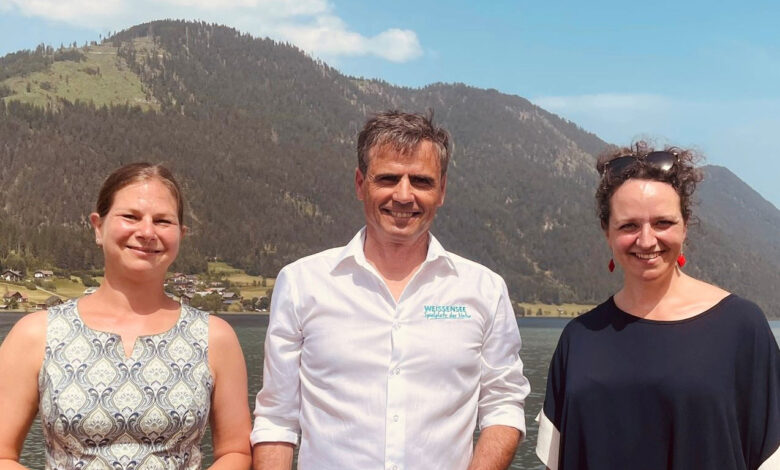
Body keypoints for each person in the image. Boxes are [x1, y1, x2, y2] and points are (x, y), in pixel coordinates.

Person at [251, 110, 530, 470]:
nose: (403, 195)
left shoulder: (485, 290)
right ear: (360, 183)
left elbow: (503, 405)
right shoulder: (302, 283)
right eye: (388, 178)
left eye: (421, 181)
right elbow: (277, 419)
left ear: (442, 190)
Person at [535, 142, 780, 470]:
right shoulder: (578, 338)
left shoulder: (741, 328)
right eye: (629, 225)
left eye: (663, 223)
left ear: (685, 225)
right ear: (607, 232)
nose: (647, 240)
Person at [0, 163, 252, 469]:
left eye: (163, 221)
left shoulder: (215, 337)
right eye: (130, 217)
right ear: (98, 227)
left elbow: (235, 452)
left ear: (181, 234)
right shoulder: (37, 335)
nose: (146, 232)